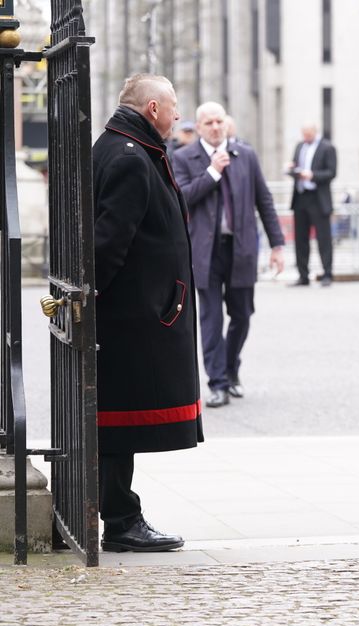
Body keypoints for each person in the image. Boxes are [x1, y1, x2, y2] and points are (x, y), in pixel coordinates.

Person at [92, 73, 203, 552]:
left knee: (114, 422)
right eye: (174, 106)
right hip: (133, 316)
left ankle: (116, 514)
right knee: (117, 424)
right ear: (153, 108)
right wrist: (86, 299)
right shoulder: (131, 158)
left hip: (133, 311)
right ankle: (121, 521)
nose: (178, 116)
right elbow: (108, 242)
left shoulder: (116, 145)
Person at [171, 102, 286, 408]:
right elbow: (181, 198)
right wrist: (212, 172)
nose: (215, 127)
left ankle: (231, 368)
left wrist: (277, 245)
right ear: (198, 128)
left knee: (242, 315)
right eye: (208, 122)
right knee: (210, 319)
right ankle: (218, 382)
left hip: (241, 248)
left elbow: (264, 200)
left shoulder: (245, 155)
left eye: (219, 121)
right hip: (204, 252)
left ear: (226, 123)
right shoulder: (183, 157)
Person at [286, 125, 336, 286]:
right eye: (303, 134)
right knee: (300, 239)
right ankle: (303, 275)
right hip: (300, 197)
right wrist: (292, 169)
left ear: (315, 132)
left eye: (308, 134)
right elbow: (296, 166)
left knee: (324, 238)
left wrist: (313, 175)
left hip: (318, 198)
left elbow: (331, 172)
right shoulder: (299, 146)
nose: (305, 137)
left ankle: (327, 274)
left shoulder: (327, 148)